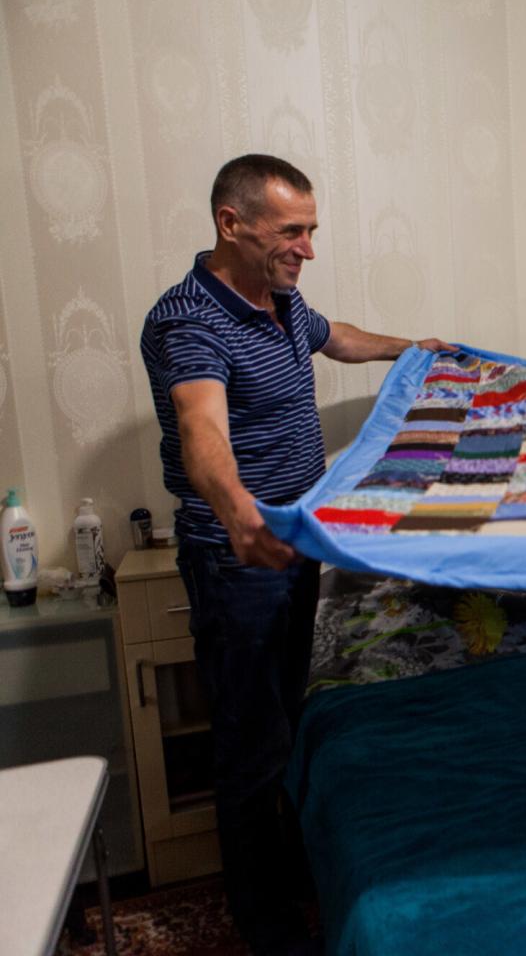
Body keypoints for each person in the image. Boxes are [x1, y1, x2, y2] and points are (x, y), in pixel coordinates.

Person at [140, 154, 455, 955]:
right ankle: (267, 923)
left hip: (294, 546)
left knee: (294, 717)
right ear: (231, 222)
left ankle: (291, 877)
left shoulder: (279, 297)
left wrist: (409, 349)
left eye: (311, 230)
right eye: (292, 231)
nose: (307, 248)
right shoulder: (188, 320)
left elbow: (334, 336)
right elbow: (200, 424)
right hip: (237, 558)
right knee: (250, 742)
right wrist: (239, 513)